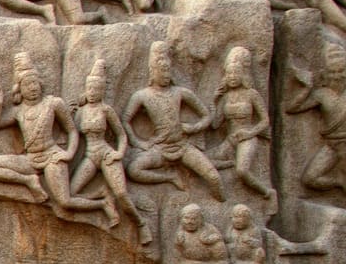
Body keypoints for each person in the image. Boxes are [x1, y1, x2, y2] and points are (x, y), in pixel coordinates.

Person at [0, 52, 114, 219]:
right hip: (31, 160)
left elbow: (71, 130)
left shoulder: (53, 103)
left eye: (35, 83)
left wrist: (68, 154)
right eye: (28, 85)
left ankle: (102, 203)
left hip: (52, 157)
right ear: (19, 89)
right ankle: (29, 181)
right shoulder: (19, 110)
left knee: (65, 202)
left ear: (40, 84)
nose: (33, 88)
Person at [123, 41, 224, 199]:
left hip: (183, 147)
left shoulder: (181, 93)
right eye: (162, 71)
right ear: (152, 71)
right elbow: (126, 120)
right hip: (160, 148)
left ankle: (221, 205)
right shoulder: (142, 96)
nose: (166, 75)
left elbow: (206, 116)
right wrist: (138, 142)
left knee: (214, 177)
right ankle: (169, 177)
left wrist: (193, 128)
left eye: (168, 71)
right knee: (134, 170)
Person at [70, 59, 151, 240]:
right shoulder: (82, 112)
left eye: (96, 90)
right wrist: (69, 115)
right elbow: (72, 134)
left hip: (106, 154)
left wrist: (119, 153)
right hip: (90, 156)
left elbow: (121, 135)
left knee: (121, 193)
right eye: (90, 89)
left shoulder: (106, 110)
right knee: (72, 192)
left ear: (102, 91)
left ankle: (141, 224)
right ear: (86, 89)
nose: (92, 93)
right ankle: (102, 198)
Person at [211, 47, 273, 200]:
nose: (232, 77)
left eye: (236, 73)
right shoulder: (225, 97)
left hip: (247, 137)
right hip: (231, 139)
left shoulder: (251, 94)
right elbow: (215, 125)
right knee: (206, 160)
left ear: (243, 75)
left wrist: (250, 133)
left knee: (242, 171)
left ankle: (267, 192)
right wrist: (214, 101)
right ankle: (229, 163)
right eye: (229, 73)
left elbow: (265, 120)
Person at [286, 42, 346, 193]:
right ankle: (339, 181)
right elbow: (292, 108)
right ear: (325, 74)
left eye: (341, 71)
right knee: (310, 178)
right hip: (331, 146)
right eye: (333, 72)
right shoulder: (322, 94)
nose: (338, 76)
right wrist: (306, 88)